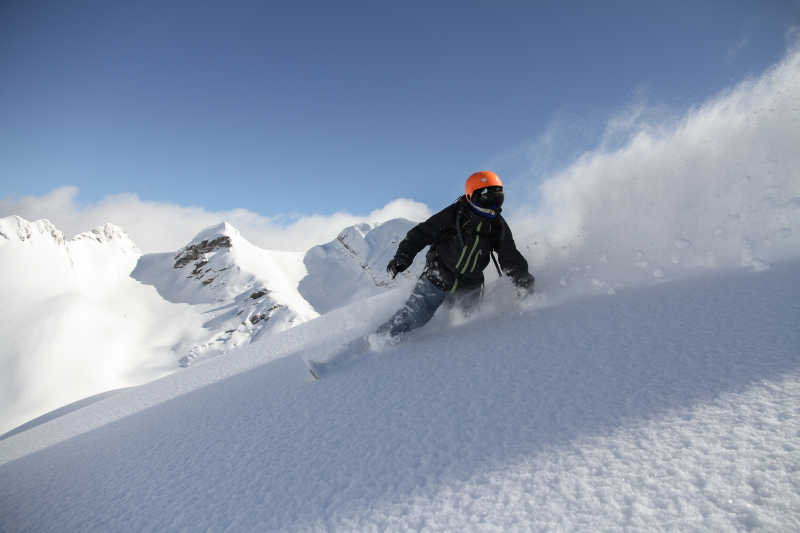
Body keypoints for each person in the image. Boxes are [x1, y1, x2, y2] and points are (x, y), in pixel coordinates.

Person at [376, 171, 535, 338]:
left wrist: (522, 279)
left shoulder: (497, 225)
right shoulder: (455, 215)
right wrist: (403, 257)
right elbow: (421, 233)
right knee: (415, 317)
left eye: (497, 197)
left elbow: (509, 254)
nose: (492, 204)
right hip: (439, 275)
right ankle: (380, 340)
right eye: (486, 198)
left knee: (467, 327)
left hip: (470, 285)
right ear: (471, 196)